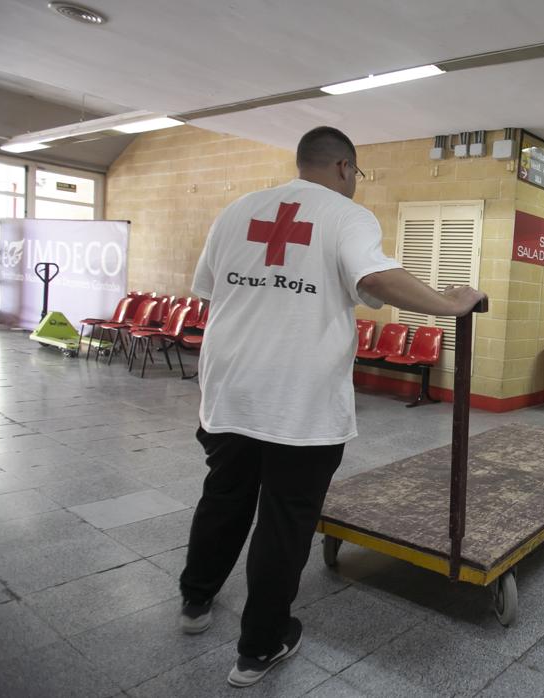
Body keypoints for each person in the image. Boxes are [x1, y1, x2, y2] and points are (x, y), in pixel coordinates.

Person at [178, 126, 486, 688]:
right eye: (357, 175)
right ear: (345, 168)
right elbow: (373, 276)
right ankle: (258, 648)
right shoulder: (347, 215)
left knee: (224, 495)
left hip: (227, 390)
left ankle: (195, 601)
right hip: (297, 401)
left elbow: (207, 290)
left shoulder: (238, 209)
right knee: (284, 520)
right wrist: (449, 303)